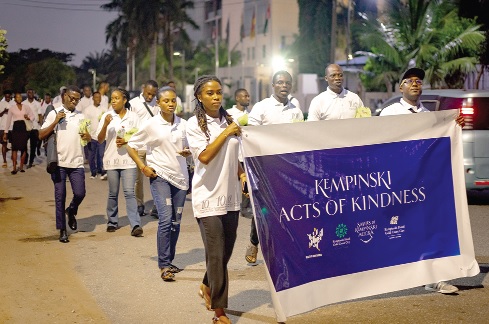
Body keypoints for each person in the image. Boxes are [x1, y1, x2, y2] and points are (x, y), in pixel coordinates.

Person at [380, 67, 463, 294]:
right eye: (409, 81)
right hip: (398, 182)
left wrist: (455, 125)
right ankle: (390, 272)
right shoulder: (389, 113)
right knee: (397, 228)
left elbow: (440, 143)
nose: (415, 84)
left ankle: (434, 276)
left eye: (418, 81)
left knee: (427, 227)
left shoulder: (430, 116)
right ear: (401, 87)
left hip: (423, 184)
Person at [186, 75, 247, 324]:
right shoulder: (194, 125)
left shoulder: (229, 120)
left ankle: (206, 284)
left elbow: (237, 155)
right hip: (207, 196)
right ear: (199, 97)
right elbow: (205, 156)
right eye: (210, 93)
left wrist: (242, 175)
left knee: (225, 253)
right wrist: (226, 133)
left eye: (219, 92)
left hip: (230, 196)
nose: (216, 97)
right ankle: (219, 312)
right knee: (216, 253)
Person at [127, 86, 191, 281]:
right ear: (158, 103)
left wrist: (189, 151)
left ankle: (169, 260)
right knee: (165, 218)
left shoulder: (184, 124)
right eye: (166, 101)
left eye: (173, 100)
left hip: (180, 179)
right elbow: (131, 145)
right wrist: (143, 166)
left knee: (176, 222)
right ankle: (163, 265)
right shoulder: (151, 124)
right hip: (160, 176)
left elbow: (192, 146)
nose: (170, 104)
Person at [245, 70, 304, 264]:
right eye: (280, 82)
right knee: (263, 208)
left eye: (287, 82)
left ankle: (284, 249)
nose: (284, 85)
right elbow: (250, 133)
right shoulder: (262, 107)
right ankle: (254, 242)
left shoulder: (295, 109)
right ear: (273, 85)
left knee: (287, 208)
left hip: (288, 168)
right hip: (266, 167)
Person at [38, 85, 90, 243]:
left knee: (80, 193)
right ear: (64, 96)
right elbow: (41, 134)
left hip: (76, 162)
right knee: (60, 196)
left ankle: (71, 210)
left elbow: (86, 139)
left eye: (77, 99)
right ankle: (62, 230)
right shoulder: (54, 112)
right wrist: (55, 121)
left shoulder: (81, 116)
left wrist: (87, 135)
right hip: (59, 162)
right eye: (71, 98)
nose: (73, 101)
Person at [96, 88, 143, 237]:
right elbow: (99, 139)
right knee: (113, 193)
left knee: (129, 192)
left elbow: (141, 137)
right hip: (111, 160)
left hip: (129, 160)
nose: (113, 101)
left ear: (125, 100)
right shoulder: (106, 116)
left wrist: (127, 140)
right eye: (112, 98)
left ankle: (135, 224)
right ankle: (112, 221)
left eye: (117, 98)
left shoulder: (134, 117)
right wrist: (105, 124)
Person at [129, 80, 159, 217]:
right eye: (148, 93)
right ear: (143, 89)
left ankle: (157, 205)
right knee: (138, 179)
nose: (150, 97)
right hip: (139, 146)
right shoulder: (133, 103)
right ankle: (139, 204)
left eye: (153, 94)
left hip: (154, 146)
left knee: (156, 177)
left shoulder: (158, 103)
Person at [226, 88, 253, 218]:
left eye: (248, 96)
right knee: (232, 182)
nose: (247, 98)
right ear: (237, 98)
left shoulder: (252, 113)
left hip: (246, 152)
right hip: (234, 153)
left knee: (247, 180)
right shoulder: (229, 113)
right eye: (245, 96)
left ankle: (245, 207)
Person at [3, 92, 35, 174]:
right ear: (15, 99)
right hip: (16, 128)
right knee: (15, 148)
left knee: (24, 147)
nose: (19, 98)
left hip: (23, 127)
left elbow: (33, 116)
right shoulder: (12, 108)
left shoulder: (26, 107)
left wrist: (28, 117)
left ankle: (21, 166)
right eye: (17, 97)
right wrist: (5, 132)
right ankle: (14, 167)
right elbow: (8, 121)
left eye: (20, 97)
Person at [83, 91, 108, 179]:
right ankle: (93, 172)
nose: (98, 99)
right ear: (93, 98)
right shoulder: (87, 110)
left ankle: (102, 172)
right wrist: (87, 134)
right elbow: (84, 123)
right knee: (91, 156)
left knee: (101, 154)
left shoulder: (104, 109)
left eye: (100, 98)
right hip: (91, 136)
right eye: (96, 97)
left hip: (101, 136)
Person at [22, 89, 42, 167]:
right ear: (27, 94)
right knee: (24, 144)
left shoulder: (37, 104)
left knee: (33, 145)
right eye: (29, 92)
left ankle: (31, 161)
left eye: (32, 92)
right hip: (26, 127)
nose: (30, 94)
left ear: (34, 93)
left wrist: (41, 126)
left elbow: (40, 115)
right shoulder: (24, 103)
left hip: (35, 127)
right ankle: (26, 156)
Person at [0, 90, 13, 168]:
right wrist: (4, 111)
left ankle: (13, 159)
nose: (8, 98)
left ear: (11, 96)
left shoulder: (13, 103)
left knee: (14, 144)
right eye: (6, 97)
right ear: (4, 96)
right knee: (4, 144)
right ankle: (4, 160)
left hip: (12, 126)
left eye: (9, 96)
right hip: (3, 126)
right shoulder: (1, 104)